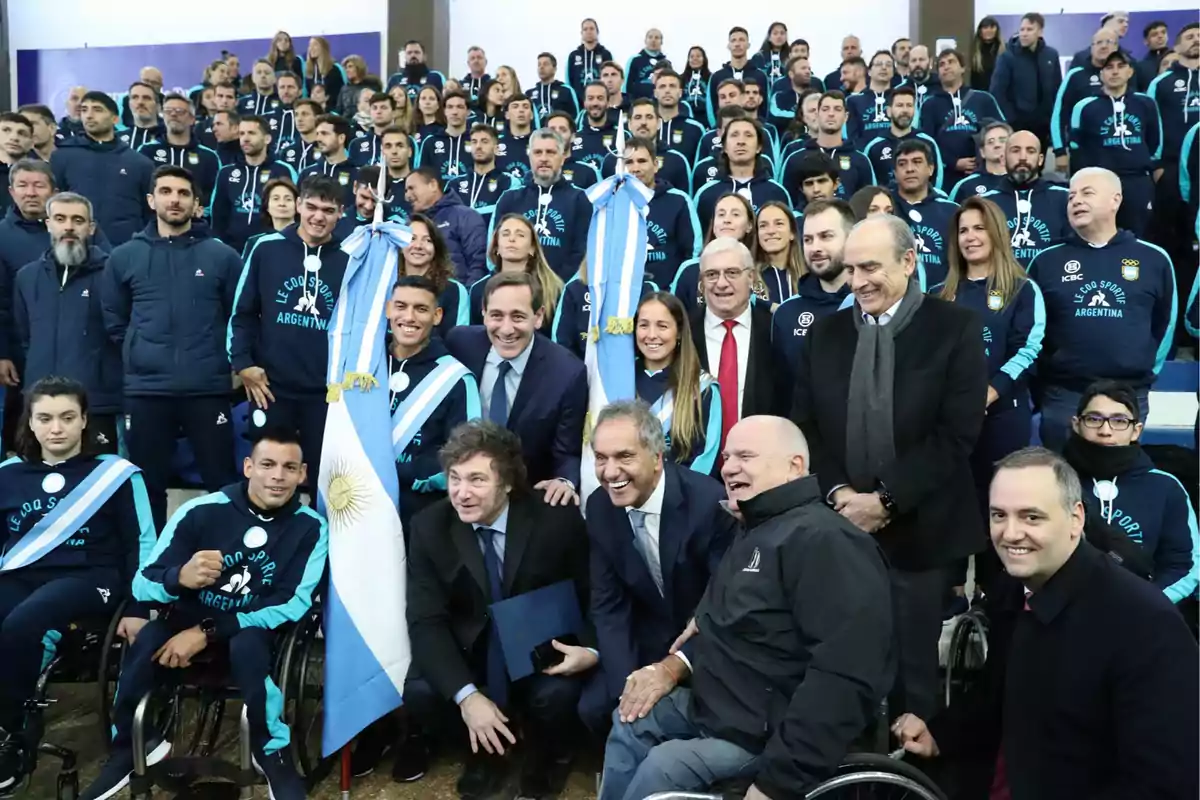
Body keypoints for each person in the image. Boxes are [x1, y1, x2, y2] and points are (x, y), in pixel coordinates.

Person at [598, 414, 893, 800]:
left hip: (765, 733)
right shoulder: (757, 527)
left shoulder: (825, 541)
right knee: (631, 718)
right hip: (718, 704)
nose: (729, 466)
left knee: (663, 767)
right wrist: (699, 624)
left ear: (795, 466)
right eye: (726, 456)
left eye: (746, 456)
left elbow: (844, 677)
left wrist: (777, 783)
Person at [893, 447, 1199, 799]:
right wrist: (941, 734)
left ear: (1076, 518)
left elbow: (1165, 783)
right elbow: (999, 696)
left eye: (1031, 517)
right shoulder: (1012, 591)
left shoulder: (1146, 624)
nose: (1010, 533)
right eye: (998, 515)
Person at [791, 214, 987, 720]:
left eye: (871, 267)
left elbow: (956, 434)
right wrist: (841, 497)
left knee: (911, 677)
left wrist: (885, 502)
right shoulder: (826, 335)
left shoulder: (955, 328)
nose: (858, 282)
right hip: (840, 527)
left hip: (922, 536)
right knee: (839, 663)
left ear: (908, 261)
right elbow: (806, 428)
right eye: (851, 269)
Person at [81, 425, 327, 800]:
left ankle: (271, 748)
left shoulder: (311, 528)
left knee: (247, 644)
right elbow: (143, 584)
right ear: (248, 467)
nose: (278, 476)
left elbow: (292, 603)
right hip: (185, 622)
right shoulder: (201, 511)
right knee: (148, 638)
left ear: (302, 474)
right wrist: (179, 577)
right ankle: (132, 745)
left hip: (252, 632)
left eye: (289, 468)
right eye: (267, 464)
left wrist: (209, 631)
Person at [403, 420, 591, 797]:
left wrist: (591, 649)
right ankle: (485, 750)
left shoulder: (556, 519)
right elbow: (426, 620)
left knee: (557, 698)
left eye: (477, 480)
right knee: (423, 692)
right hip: (471, 651)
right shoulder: (429, 527)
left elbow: (590, 594)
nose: (462, 493)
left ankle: (548, 753)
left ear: (506, 483)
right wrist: (468, 697)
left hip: (537, 651)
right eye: (454, 478)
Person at [0, 377, 155, 792]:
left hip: (90, 580)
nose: (57, 428)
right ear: (29, 423)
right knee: (18, 614)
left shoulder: (116, 475)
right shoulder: (8, 474)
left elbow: (143, 545)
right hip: (19, 575)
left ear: (84, 420)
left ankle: (13, 734)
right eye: (45, 418)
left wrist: (140, 606)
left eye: (68, 417)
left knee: (22, 623)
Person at [101, 165, 242, 528]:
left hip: (207, 388)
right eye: (165, 191)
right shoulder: (125, 256)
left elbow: (238, 316)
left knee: (221, 482)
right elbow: (115, 319)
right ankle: (153, 569)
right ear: (151, 200)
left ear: (197, 204)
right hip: (147, 390)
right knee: (147, 485)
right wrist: (141, 351)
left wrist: (222, 363)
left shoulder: (222, 256)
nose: (174, 199)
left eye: (182, 193)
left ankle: (223, 558)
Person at [581, 398, 732, 732]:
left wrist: (674, 667)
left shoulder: (708, 504)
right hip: (648, 638)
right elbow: (609, 605)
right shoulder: (600, 507)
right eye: (601, 458)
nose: (609, 472)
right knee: (598, 709)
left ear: (657, 458)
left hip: (709, 643)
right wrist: (628, 686)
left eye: (624, 456)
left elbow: (726, 605)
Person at [1027, 167, 1177, 451]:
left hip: (1128, 394)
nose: (1076, 201)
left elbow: (1165, 324)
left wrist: (1141, 369)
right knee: (1061, 485)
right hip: (1064, 395)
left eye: (1087, 193)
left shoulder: (1154, 259)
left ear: (1115, 200)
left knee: (1117, 485)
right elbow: (1031, 328)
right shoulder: (1045, 261)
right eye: (1071, 196)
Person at [228, 174, 346, 490]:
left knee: (321, 479)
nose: (318, 216)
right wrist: (243, 364)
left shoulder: (349, 259)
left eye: (328, 210)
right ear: (297, 205)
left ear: (340, 213)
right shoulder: (265, 249)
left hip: (325, 396)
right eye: (311, 207)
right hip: (271, 389)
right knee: (269, 475)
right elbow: (242, 313)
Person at [935, 196, 1045, 536]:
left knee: (1000, 505)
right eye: (963, 230)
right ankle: (952, 587)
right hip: (950, 419)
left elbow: (1028, 351)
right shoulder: (939, 292)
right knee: (951, 506)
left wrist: (987, 393)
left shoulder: (1023, 290)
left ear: (996, 232)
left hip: (1003, 417)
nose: (970, 236)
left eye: (979, 228)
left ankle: (995, 587)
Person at [447, 273, 585, 500]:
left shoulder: (567, 372)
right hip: (461, 489)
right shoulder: (460, 345)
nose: (506, 329)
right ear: (483, 313)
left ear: (538, 316)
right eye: (496, 316)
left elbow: (567, 451)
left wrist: (564, 481)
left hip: (525, 492)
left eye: (518, 316)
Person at [1062, 380, 1198, 603]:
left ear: (1136, 431)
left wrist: (1145, 606)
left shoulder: (1166, 487)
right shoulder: (1049, 481)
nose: (1105, 431)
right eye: (1094, 419)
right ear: (1077, 424)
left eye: (1119, 421)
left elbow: (1184, 566)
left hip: (1144, 615)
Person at [12, 192, 122, 450]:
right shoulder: (27, 277)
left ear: (91, 227)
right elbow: (25, 335)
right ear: (48, 223)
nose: (69, 227)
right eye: (60, 219)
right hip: (40, 403)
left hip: (95, 401)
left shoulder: (112, 273)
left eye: (78, 220)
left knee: (96, 481)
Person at [384, 275, 480, 537]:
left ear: (437, 316)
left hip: (421, 518)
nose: (409, 317)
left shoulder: (456, 379)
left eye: (421, 309)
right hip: (362, 505)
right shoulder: (366, 366)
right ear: (388, 309)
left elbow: (464, 455)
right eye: (401, 306)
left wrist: (398, 472)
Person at [692, 238, 790, 458]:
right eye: (711, 274)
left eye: (732, 273)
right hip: (695, 469)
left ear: (751, 277)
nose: (721, 283)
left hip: (763, 464)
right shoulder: (683, 334)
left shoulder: (777, 331)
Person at [1068, 50, 1162, 237]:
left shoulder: (1146, 103)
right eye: (1109, 67)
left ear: (1130, 72)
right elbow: (1077, 148)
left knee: (1138, 235)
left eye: (1121, 66)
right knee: (1098, 233)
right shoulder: (1085, 106)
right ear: (1101, 74)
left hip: (1137, 181)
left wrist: (1151, 170)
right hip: (1101, 183)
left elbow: (1155, 141)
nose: (1115, 72)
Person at [632, 292, 722, 474]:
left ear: (679, 332)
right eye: (643, 325)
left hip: (681, 496)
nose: (651, 335)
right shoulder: (620, 379)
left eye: (662, 326)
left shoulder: (702, 388)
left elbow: (705, 458)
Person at [50, 92, 153, 246]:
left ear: (115, 119)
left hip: (126, 250)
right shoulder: (62, 156)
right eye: (84, 110)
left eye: (97, 109)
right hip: (77, 247)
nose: (89, 116)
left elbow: (149, 212)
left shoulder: (139, 163)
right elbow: (54, 203)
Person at [491, 129, 593, 280]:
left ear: (563, 157)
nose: (544, 158)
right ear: (530, 156)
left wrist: (555, 285)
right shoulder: (510, 199)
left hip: (559, 289)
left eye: (550, 152)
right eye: (538, 152)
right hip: (516, 284)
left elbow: (580, 252)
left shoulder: (579, 199)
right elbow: (497, 246)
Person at [772, 199, 854, 379]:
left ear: (850, 239)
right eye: (808, 239)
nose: (815, 248)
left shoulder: (872, 306)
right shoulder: (787, 313)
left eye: (826, 236)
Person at [981, 129, 1071, 267]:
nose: (1023, 157)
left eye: (1030, 151)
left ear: (1041, 159)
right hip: (1000, 286)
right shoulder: (985, 203)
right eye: (1015, 150)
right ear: (1004, 158)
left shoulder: (1064, 198)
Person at [210, 115, 298, 253]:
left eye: (251, 133)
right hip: (232, 249)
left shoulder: (283, 170)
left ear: (267, 139)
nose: (245, 138)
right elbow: (218, 214)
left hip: (271, 247)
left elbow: (294, 210)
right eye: (242, 133)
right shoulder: (226, 172)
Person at [920, 49, 1006, 186]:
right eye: (941, 64)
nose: (946, 66)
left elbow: (1003, 132)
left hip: (983, 175)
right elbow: (926, 142)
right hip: (945, 177)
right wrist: (953, 162)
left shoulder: (984, 99)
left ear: (962, 68)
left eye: (951, 62)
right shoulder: (930, 104)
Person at [694, 118, 790, 233]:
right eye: (734, 135)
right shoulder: (706, 194)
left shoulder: (777, 192)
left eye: (748, 135)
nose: (741, 141)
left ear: (759, 147)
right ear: (724, 147)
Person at [780, 92, 875, 206]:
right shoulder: (795, 159)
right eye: (825, 109)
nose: (831, 114)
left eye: (837, 109)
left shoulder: (860, 160)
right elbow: (787, 204)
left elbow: (868, 203)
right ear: (817, 114)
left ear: (846, 117)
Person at [1051, 29, 1123, 174]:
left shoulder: (1126, 74)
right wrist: (1060, 151)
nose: (1103, 46)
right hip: (1084, 155)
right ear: (1091, 47)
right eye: (1098, 42)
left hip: (1120, 153)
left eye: (1108, 42)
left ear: (1116, 47)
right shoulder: (1076, 75)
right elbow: (1059, 114)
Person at [670, 192, 756, 311]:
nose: (726, 220)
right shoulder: (689, 270)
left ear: (749, 225)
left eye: (735, 214)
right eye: (721, 214)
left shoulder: (762, 268)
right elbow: (675, 316)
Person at [404, 166, 488, 285]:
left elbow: (478, 263)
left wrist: (467, 296)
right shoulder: (410, 224)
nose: (407, 196)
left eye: (412, 188)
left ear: (432, 185)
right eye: (406, 190)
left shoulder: (465, 216)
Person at [892, 138, 958, 286]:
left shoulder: (952, 211)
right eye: (902, 164)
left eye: (917, 162)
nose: (909, 169)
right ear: (895, 173)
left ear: (931, 169)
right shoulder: (885, 209)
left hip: (941, 299)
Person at [396, 213, 470, 337]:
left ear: (436, 248)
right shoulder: (385, 285)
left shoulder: (454, 291)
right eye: (412, 238)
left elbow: (456, 340)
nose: (418, 246)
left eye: (427, 240)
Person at [138, 94, 220, 203]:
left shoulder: (209, 156)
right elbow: (139, 190)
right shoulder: (147, 151)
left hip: (195, 218)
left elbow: (214, 196)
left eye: (179, 111)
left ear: (192, 119)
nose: (173, 114)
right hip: (154, 218)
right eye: (168, 111)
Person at [862, 85, 944, 190]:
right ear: (888, 111)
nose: (905, 110)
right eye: (900, 105)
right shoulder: (874, 147)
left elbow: (937, 179)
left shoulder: (927, 142)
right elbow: (870, 185)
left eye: (909, 105)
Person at [599, 101, 690, 192]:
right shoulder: (612, 159)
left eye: (649, 117)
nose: (643, 122)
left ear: (658, 123)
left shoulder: (677, 160)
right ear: (630, 124)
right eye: (638, 117)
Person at [448, 124, 516, 226]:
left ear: (496, 149)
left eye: (484, 142)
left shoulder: (508, 182)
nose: (478, 146)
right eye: (474, 142)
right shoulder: (454, 184)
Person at [706, 27, 768, 128]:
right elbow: (711, 108)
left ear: (748, 45)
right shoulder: (716, 76)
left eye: (741, 40)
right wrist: (718, 130)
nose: (737, 44)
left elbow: (765, 106)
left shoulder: (760, 76)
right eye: (733, 40)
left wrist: (758, 128)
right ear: (728, 45)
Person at [299, 114, 357, 209]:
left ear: (341, 138)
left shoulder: (356, 174)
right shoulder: (306, 173)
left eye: (324, 133)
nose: (318, 139)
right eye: (317, 134)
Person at [753, 200, 803, 306]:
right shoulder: (747, 277)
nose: (771, 231)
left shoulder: (810, 278)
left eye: (779, 224)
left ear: (792, 233)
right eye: (763, 225)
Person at [653, 71, 707, 165]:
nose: (667, 90)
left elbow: (701, 166)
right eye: (662, 86)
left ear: (680, 92)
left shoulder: (696, 129)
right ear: (655, 93)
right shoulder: (646, 125)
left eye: (672, 86)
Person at [846, 50, 897, 145]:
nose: (884, 68)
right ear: (869, 71)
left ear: (893, 72)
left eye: (889, 65)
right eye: (878, 64)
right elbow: (852, 137)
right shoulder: (853, 101)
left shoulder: (900, 99)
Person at [543, 112, 600, 189]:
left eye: (562, 130)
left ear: (573, 137)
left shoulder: (588, 172)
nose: (557, 134)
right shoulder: (537, 172)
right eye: (552, 130)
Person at [768, 57, 822, 133]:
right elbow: (776, 116)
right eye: (803, 68)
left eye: (809, 69)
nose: (807, 71)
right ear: (791, 74)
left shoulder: (818, 98)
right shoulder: (779, 97)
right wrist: (806, 115)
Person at [568, 18, 614, 98]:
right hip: (579, 101)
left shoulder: (605, 54)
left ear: (597, 32)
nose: (589, 31)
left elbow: (611, 78)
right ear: (581, 33)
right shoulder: (574, 56)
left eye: (592, 28)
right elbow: (569, 79)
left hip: (600, 99)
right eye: (585, 29)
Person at [525, 52, 579, 119]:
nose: (541, 67)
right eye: (539, 65)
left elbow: (575, 116)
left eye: (546, 64)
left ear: (554, 69)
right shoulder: (529, 94)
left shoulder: (566, 91)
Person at [276, 99, 322, 175]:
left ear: (317, 118)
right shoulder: (286, 152)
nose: (299, 119)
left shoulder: (327, 150)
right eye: (296, 115)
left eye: (305, 114)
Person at [380, 126, 416, 222]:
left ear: (409, 151)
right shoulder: (376, 185)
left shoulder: (419, 186)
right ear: (382, 152)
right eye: (388, 146)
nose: (394, 151)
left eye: (400, 146)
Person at [117, 82, 163, 152]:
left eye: (146, 98)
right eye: (135, 97)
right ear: (129, 104)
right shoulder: (116, 138)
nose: (140, 102)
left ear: (158, 106)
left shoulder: (170, 137)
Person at [625, 29, 667, 101]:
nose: (653, 40)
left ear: (661, 42)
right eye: (650, 37)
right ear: (645, 40)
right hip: (638, 103)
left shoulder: (666, 63)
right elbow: (626, 84)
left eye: (657, 38)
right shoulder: (635, 59)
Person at [304, 36, 344, 106]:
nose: (311, 48)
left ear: (323, 48)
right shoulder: (309, 70)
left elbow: (339, 93)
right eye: (310, 45)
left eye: (315, 45)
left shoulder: (334, 69)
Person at [972, 16, 1005, 91]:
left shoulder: (1004, 50)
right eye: (985, 27)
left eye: (992, 27)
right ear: (980, 30)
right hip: (981, 94)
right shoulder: (975, 52)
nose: (989, 30)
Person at [1138, 20, 1172, 88]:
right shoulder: (1140, 67)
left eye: (1163, 32)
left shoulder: (1178, 59)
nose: (1160, 36)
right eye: (1154, 34)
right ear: (1146, 41)